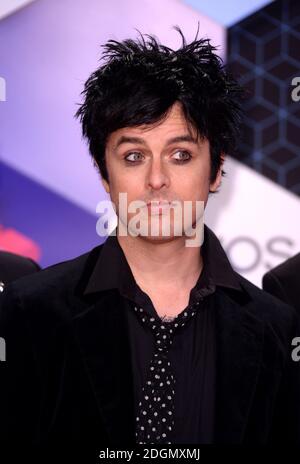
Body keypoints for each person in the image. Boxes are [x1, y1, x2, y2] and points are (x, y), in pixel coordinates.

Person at [0, 28, 299, 452]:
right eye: (134, 156)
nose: (157, 180)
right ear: (105, 173)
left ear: (216, 170)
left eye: (181, 155)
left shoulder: (276, 326)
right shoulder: (28, 311)